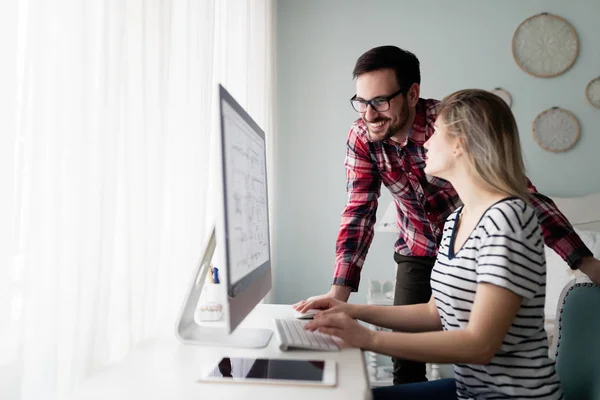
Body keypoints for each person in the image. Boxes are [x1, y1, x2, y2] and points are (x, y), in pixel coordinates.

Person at [294, 45, 600, 385]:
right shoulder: (363, 137)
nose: (368, 114)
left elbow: (520, 194)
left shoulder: (453, 125)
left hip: (474, 245)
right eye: (362, 102)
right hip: (419, 247)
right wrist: (340, 301)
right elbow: (359, 211)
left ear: (412, 94)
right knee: (405, 364)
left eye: (380, 101)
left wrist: (585, 262)